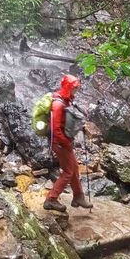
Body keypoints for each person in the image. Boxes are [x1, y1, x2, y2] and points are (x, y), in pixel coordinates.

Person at [43, 74, 93, 213]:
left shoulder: (66, 100)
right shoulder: (58, 104)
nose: (75, 92)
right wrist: (66, 143)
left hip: (64, 142)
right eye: (74, 89)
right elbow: (55, 129)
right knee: (68, 171)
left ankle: (78, 197)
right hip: (60, 143)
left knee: (74, 168)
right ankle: (51, 199)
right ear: (67, 88)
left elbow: (67, 119)